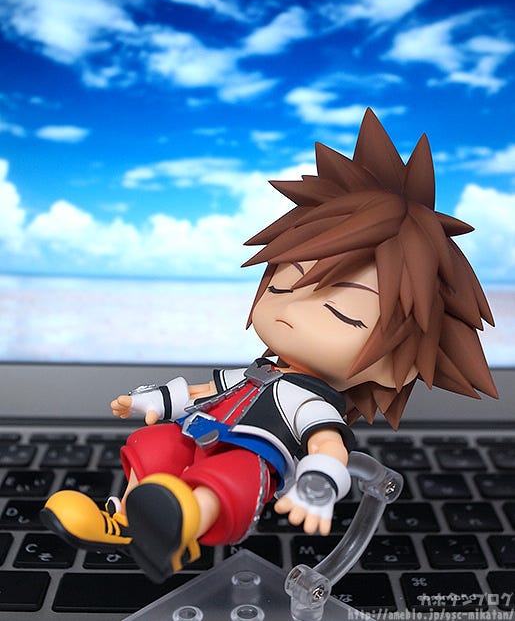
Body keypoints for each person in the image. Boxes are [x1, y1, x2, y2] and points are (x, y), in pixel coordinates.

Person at [41, 108, 497, 583]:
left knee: (229, 477)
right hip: (201, 430)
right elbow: (205, 391)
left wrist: (318, 486)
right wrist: (149, 401)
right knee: (155, 444)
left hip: (255, 456)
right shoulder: (258, 371)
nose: (290, 309)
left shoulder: (313, 403)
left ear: (394, 369)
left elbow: (327, 444)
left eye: (340, 313)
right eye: (281, 285)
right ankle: (125, 519)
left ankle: (184, 525)